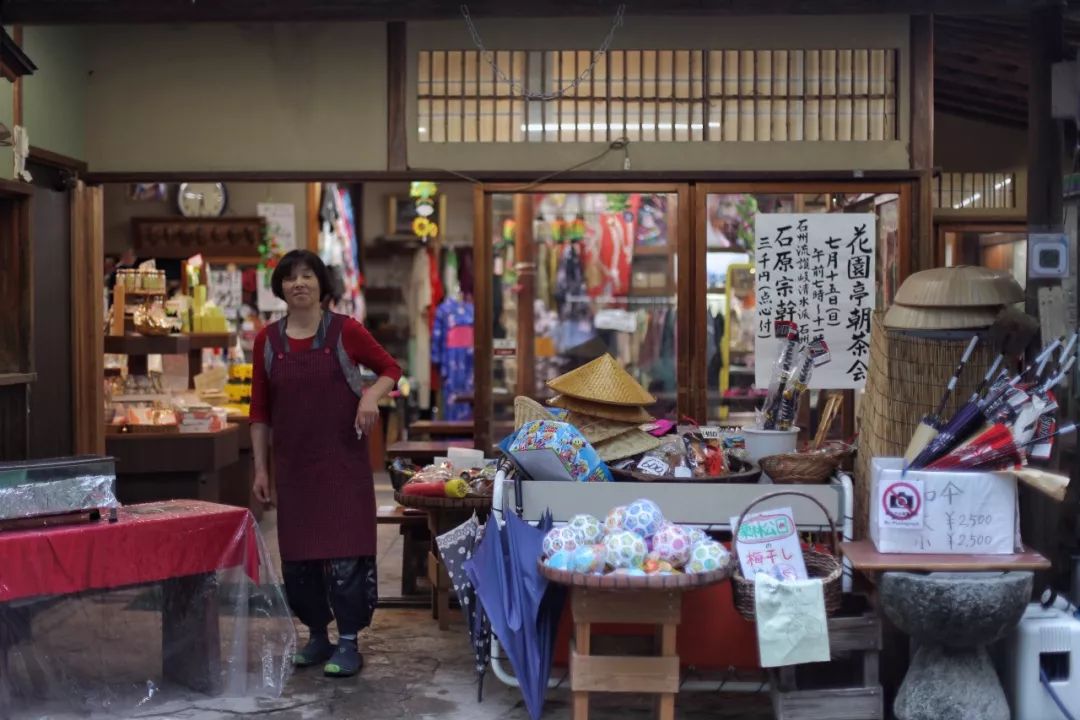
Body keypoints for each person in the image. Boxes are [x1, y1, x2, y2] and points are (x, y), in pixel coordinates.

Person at [249, 249, 401, 678]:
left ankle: (349, 641)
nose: (299, 283)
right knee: (298, 563)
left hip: (343, 468)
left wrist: (371, 394)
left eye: (308, 276)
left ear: (322, 285)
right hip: (294, 471)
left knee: (346, 557)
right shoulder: (267, 341)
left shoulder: (345, 331)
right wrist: (262, 470)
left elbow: (390, 368)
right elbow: (259, 412)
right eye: (291, 277)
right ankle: (317, 636)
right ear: (280, 287)